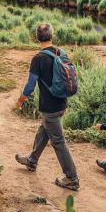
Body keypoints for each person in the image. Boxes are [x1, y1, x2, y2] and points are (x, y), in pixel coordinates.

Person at [15, 23, 79, 191]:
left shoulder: (38, 58)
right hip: (61, 102)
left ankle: (72, 178)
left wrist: (21, 100)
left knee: (58, 141)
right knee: (43, 131)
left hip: (49, 106)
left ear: (37, 37)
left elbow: (30, 85)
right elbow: (67, 79)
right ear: (52, 36)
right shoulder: (61, 52)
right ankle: (32, 160)